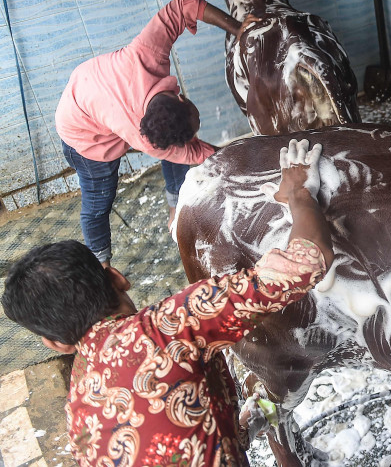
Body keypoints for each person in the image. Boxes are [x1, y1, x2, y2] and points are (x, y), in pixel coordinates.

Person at [1, 138, 335, 467]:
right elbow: (305, 264)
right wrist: (298, 193)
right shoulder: (169, 327)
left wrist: (235, 426)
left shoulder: (78, 419)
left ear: (56, 343)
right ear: (117, 277)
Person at [55, 0, 248, 266]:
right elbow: (194, 153)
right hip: (84, 137)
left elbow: (184, 5)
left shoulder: (145, 54)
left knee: (174, 155)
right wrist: (243, 160)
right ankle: (102, 265)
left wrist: (239, 29)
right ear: (180, 97)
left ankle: (174, 209)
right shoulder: (141, 136)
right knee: (99, 202)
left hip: (92, 90)